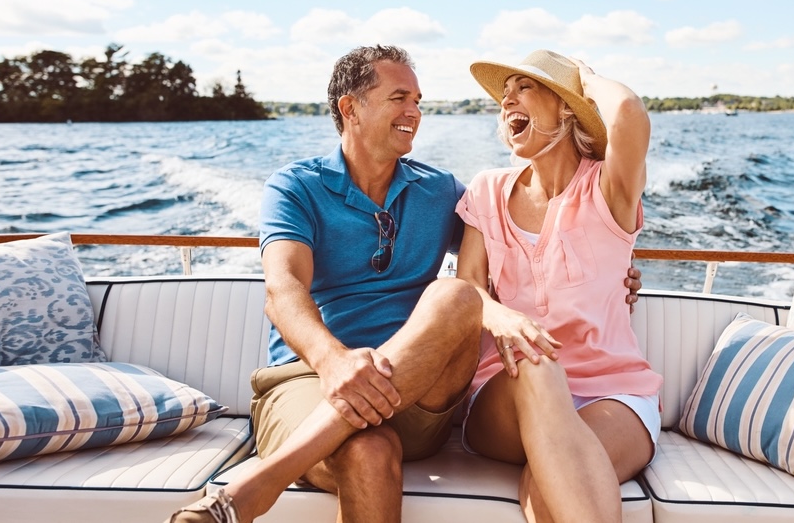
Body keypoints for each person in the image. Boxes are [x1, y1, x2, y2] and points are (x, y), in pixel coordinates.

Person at [167, 45, 643, 523]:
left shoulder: (440, 191)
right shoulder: (295, 187)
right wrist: (334, 362)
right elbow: (283, 289)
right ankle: (265, 480)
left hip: (418, 396)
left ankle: (255, 486)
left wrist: (614, 270)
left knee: (455, 293)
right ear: (350, 108)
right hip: (311, 379)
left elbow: (522, 248)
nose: (414, 113)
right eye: (400, 98)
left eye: (418, 100)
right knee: (368, 452)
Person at [455, 49, 662, 523]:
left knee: (548, 487)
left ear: (566, 107)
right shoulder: (485, 190)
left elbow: (628, 113)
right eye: (502, 96)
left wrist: (583, 78)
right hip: (505, 388)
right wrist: (500, 315)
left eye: (523, 88)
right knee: (535, 366)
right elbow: (468, 285)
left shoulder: (608, 189)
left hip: (613, 391)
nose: (507, 102)